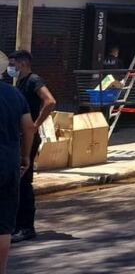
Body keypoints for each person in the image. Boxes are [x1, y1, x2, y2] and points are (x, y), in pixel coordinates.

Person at [9, 50, 56, 244]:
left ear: (22, 63)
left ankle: (26, 227)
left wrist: (35, 125)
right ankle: (16, 224)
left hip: (28, 136)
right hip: (19, 136)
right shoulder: (20, 82)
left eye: (12, 64)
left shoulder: (33, 80)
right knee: (16, 181)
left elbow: (50, 101)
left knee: (23, 181)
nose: (10, 68)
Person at [0, 74, 33, 272]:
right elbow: (29, 127)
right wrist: (25, 156)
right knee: (3, 225)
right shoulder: (14, 93)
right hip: (8, 163)